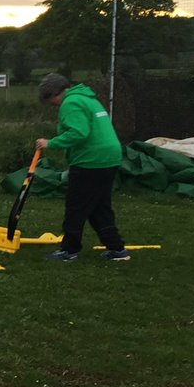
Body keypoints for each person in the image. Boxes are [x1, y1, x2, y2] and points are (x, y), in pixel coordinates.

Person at [35, 73, 130, 261]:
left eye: (49, 99)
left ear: (55, 93)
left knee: (76, 206)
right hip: (109, 157)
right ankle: (116, 249)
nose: (52, 104)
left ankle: (69, 250)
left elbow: (79, 133)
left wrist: (51, 143)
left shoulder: (70, 103)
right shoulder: (88, 99)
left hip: (91, 159)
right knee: (99, 207)